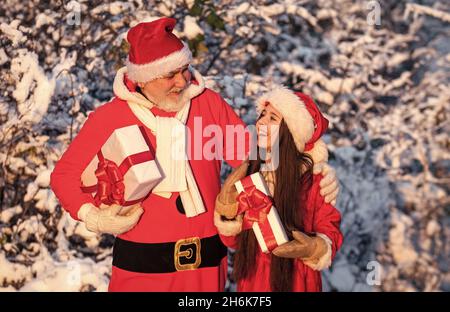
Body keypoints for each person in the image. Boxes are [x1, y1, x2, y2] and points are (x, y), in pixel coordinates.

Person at [50, 17, 339, 292]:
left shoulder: (207, 104)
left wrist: (312, 163)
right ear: (144, 78)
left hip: (206, 267)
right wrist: (95, 217)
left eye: (184, 69)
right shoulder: (111, 116)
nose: (181, 81)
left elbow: (254, 159)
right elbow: (63, 177)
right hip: (141, 269)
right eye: (170, 74)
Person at [215, 87, 343, 292]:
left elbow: (330, 229)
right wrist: (229, 216)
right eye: (262, 114)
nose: (261, 122)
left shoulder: (314, 181)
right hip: (252, 282)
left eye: (273, 118)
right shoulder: (250, 171)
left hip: (297, 282)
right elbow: (234, 242)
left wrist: (315, 247)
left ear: (291, 132)